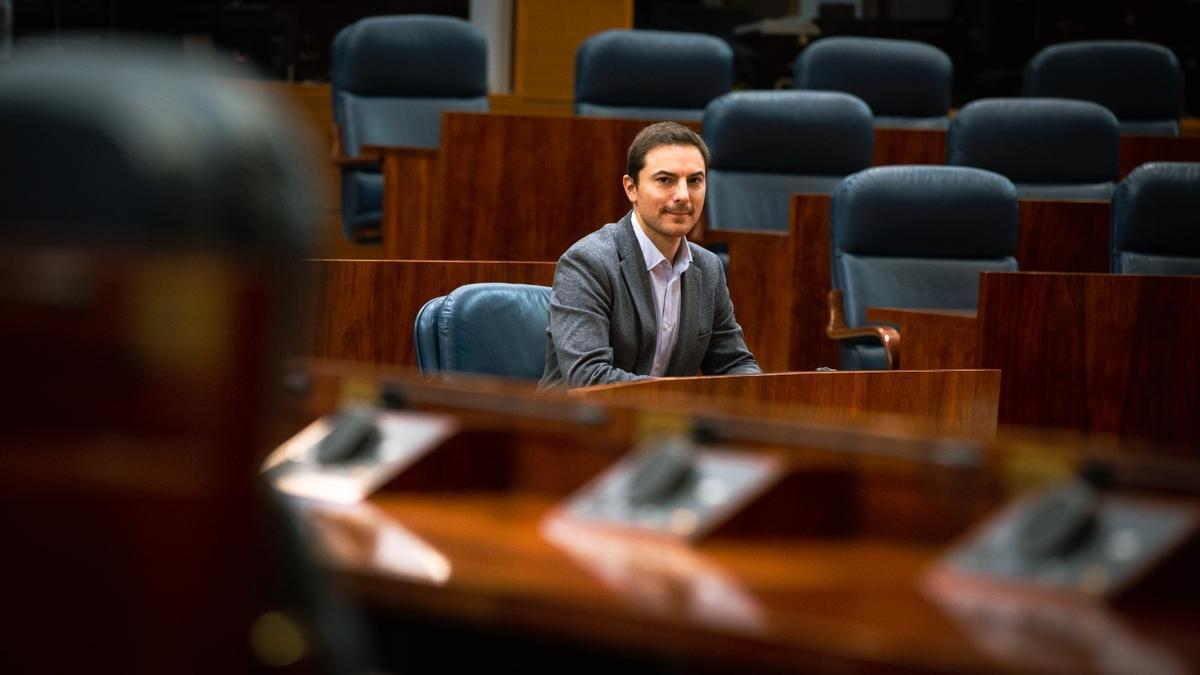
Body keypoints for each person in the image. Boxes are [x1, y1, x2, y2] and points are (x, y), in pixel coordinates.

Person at [538, 121, 761, 390]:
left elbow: (733, 363)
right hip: (581, 426)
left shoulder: (708, 267)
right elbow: (589, 378)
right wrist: (684, 401)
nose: (682, 195)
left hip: (662, 428)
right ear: (631, 188)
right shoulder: (588, 263)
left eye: (694, 181)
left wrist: (759, 391)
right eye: (665, 180)